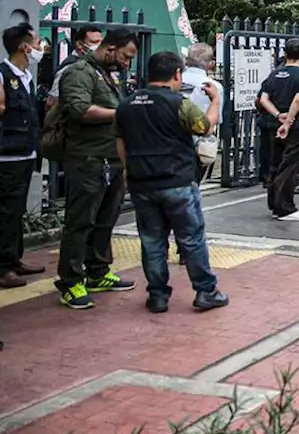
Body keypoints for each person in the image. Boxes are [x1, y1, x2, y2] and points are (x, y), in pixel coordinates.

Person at [115, 52, 229, 313]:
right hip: (177, 181)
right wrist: (215, 100)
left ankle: (157, 295)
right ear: (177, 74)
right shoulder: (179, 103)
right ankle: (205, 291)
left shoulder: (127, 105)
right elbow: (204, 127)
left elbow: (119, 141)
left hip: (141, 183)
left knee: (152, 240)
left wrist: (128, 170)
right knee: (190, 238)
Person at [54, 29, 139, 309]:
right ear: (110, 47)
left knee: (105, 219)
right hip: (87, 158)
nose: (127, 63)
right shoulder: (79, 72)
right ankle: (70, 281)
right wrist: (123, 112)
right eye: (126, 56)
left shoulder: (106, 73)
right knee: (80, 221)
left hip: (110, 159)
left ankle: (98, 271)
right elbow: (80, 110)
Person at [0, 24, 45, 289]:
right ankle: (3, 267)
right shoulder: (3, 74)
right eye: (37, 42)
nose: (41, 48)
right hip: (7, 157)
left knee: (16, 210)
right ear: (23, 46)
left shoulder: (25, 76)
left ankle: (14, 258)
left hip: (25, 154)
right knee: (6, 211)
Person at [258, 38, 299, 222]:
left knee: (275, 165)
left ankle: (274, 204)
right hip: (295, 127)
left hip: (275, 124)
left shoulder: (274, 74)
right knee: (290, 166)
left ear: (284, 53)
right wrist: (288, 123)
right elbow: (298, 100)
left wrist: (277, 116)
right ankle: (285, 208)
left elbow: (263, 99)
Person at [181, 43, 223, 184]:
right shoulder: (214, 86)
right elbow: (217, 119)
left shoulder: (176, 80)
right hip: (198, 145)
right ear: (209, 63)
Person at [45, 24, 103, 110]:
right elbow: (52, 102)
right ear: (79, 44)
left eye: (100, 42)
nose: (98, 47)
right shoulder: (68, 67)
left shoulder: (95, 64)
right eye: (94, 42)